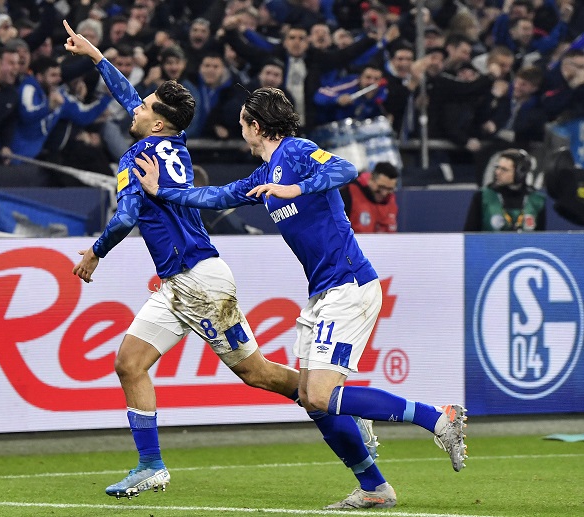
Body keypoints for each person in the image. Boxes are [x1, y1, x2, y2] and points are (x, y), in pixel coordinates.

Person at [62, 21, 377, 503]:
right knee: (129, 363)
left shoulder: (137, 159)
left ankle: (337, 405)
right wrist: (97, 57)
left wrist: (94, 253)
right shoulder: (170, 142)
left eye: (145, 106)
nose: (136, 106)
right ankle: (151, 466)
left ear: (156, 122)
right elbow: (133, 101)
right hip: (180, 281)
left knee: (256, 373)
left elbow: (126, 216)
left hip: (197, 282)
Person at [135, 86, 468, 510]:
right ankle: (374, 487)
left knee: (323, 396)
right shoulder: (262, 175)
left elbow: (347, 169)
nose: (240, 131)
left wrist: (298, 189)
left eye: (243, 124)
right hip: (324, 292)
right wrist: (163, 191)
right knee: (313, 400)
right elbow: (215, 196)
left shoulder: (296, 151)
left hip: (349, 285)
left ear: (256, 126)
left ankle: (438, 418)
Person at [463, 149, 546, 231]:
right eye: (497, 168)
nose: (497, 172)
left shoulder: (537, 200)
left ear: (520, 172)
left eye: (504, 169)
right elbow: (469, 234)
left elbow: (541, 237)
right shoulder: (482, 196)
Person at [340, 161, 399, 233]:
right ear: (371, 179)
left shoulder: (391, 200)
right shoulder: (348, 194)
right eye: (381, 187)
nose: (384, 193)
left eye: (389, 189)